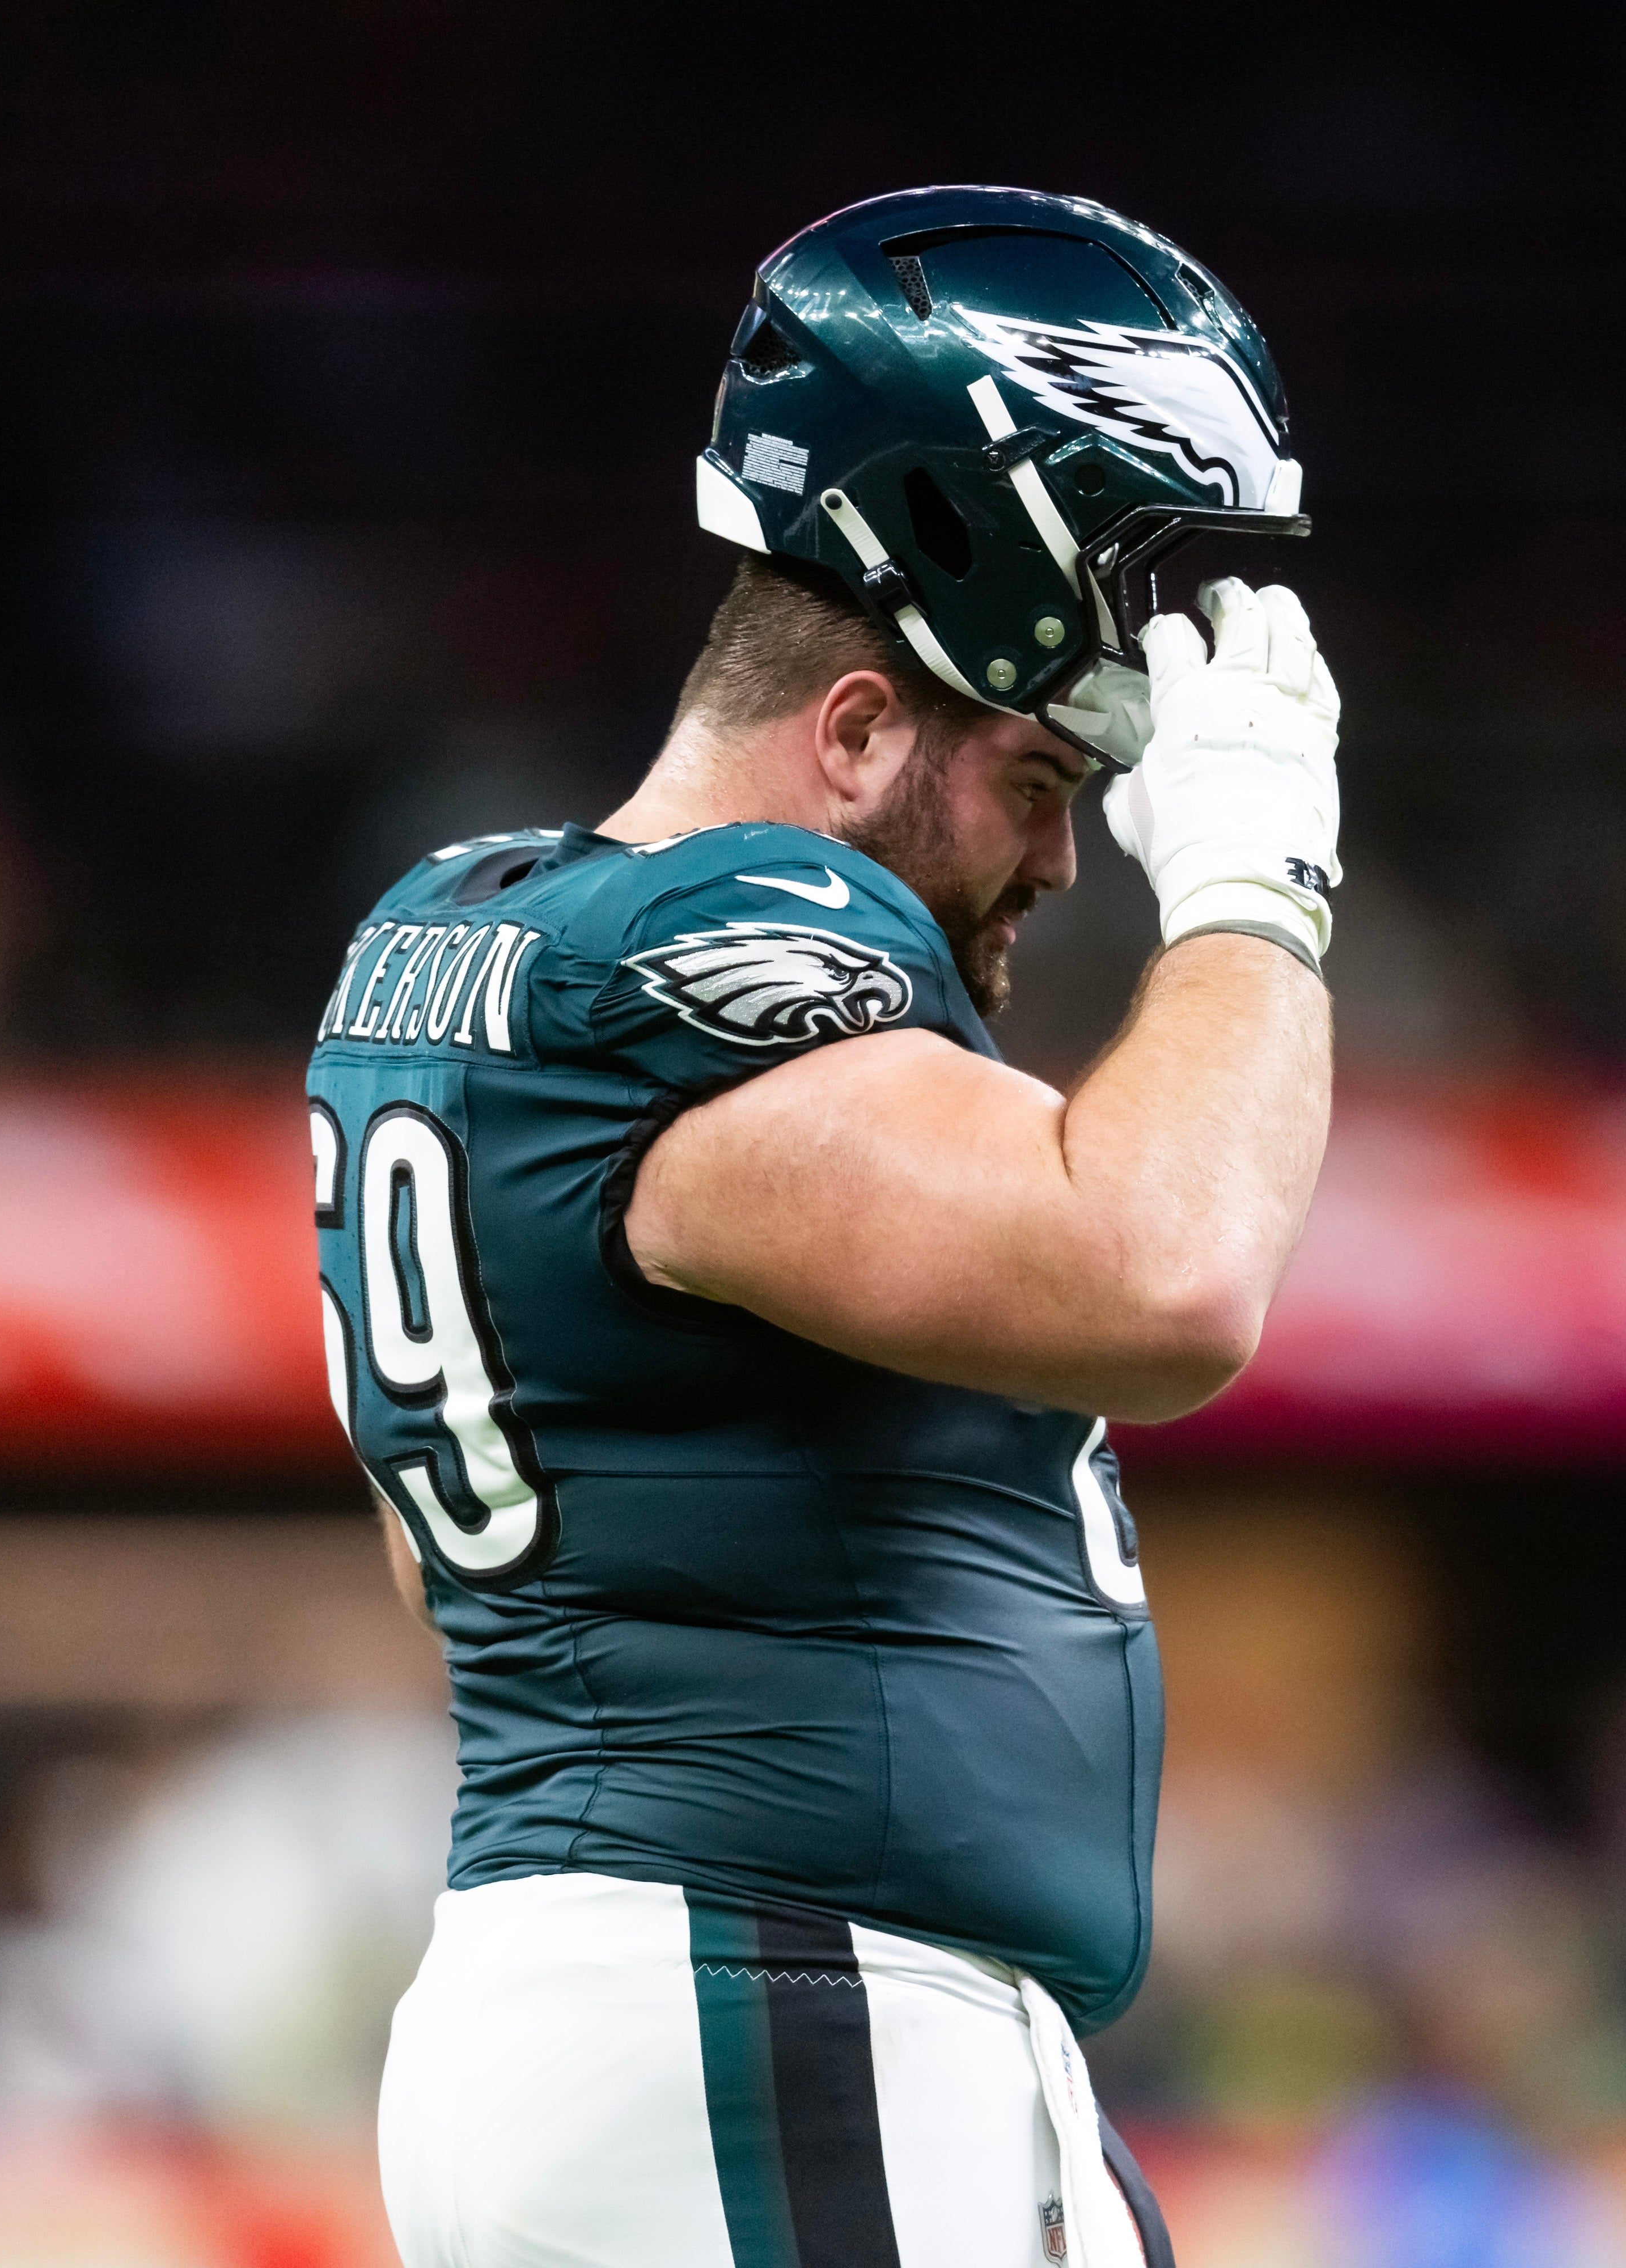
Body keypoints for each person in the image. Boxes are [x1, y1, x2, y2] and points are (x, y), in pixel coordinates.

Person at [309, 186, 1340, 2268]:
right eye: (1042, 773)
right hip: (771, 1994)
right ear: (859, 728)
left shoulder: (464, 930)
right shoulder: (724, 934)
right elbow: (1166, 1268)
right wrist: (1255, 886)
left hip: (685, 1994)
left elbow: (476, 1548)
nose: (1063, 859)